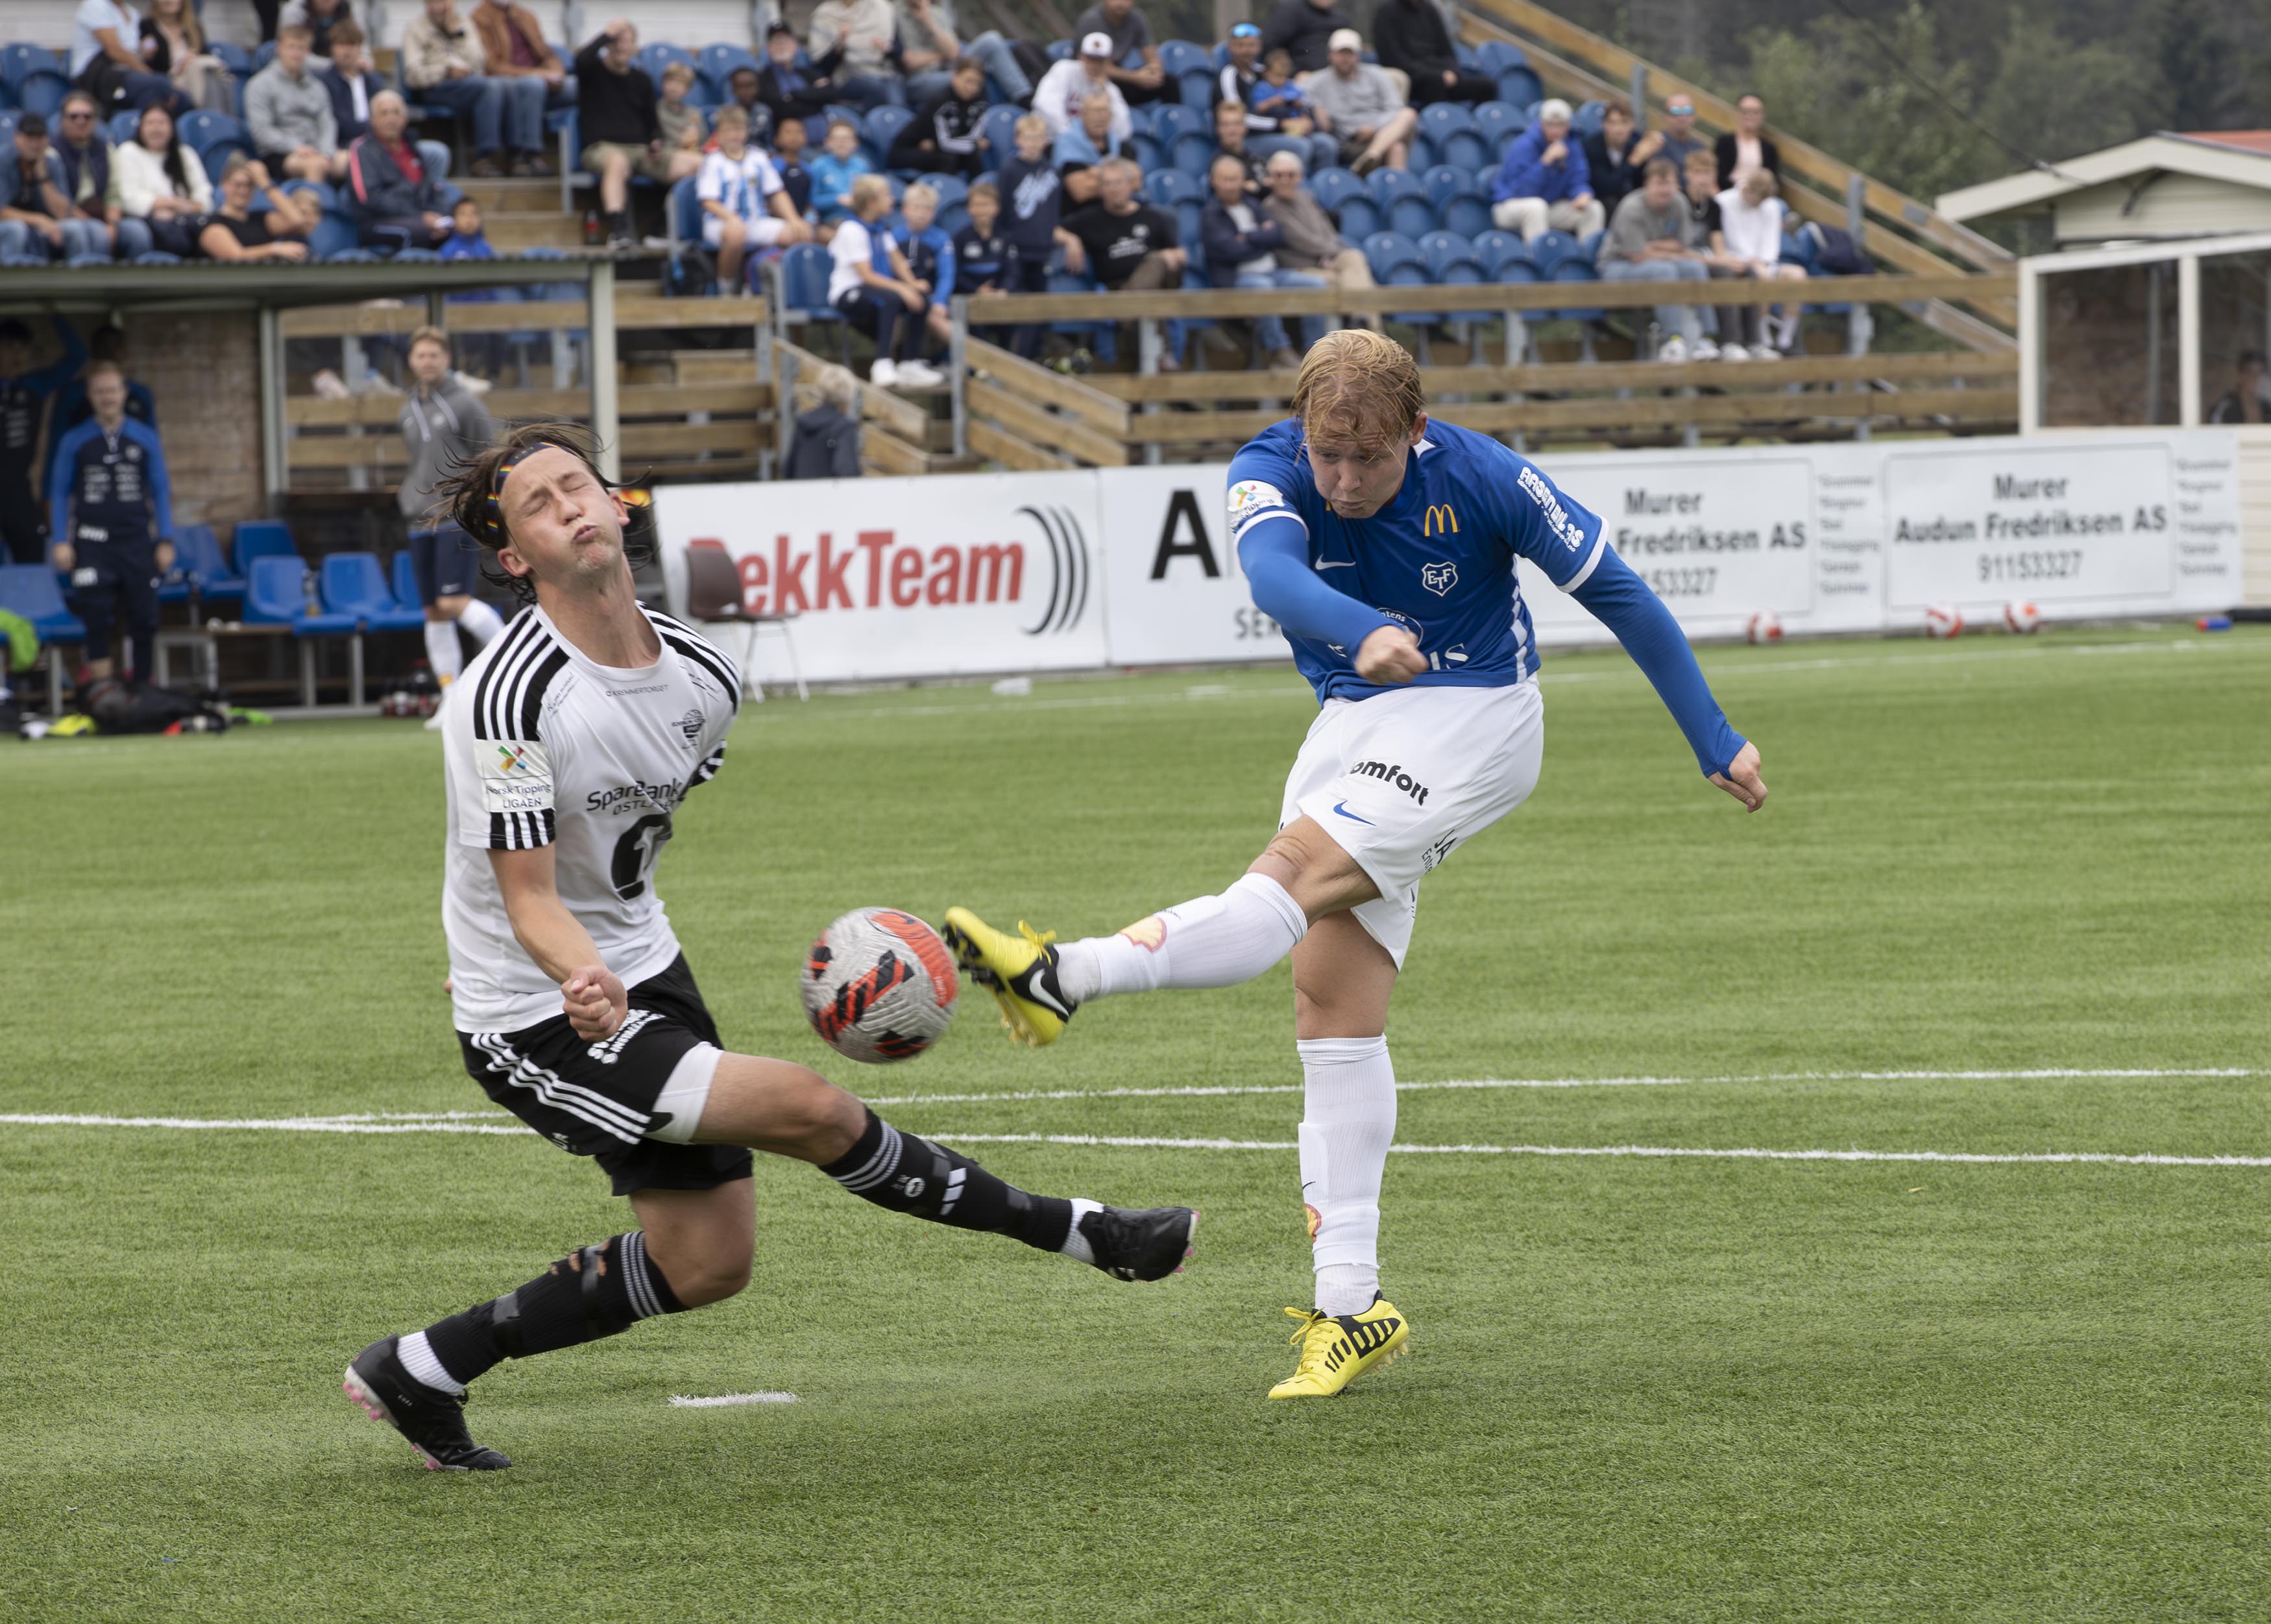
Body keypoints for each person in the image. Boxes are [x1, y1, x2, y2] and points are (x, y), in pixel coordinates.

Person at [340, 418, 1195, 1471]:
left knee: (708, 1261)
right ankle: (1089, 1230)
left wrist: (612, 964)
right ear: (516, 556)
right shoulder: (508, 698)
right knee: (812, 1104)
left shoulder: (703, 678)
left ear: (619, 503)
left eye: (578, 485)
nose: (567, 504)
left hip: (643, 965)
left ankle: (422, 1366)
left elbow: (620, 847)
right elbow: (527, 893)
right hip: (539, 1013)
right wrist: (574, 972)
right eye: (538, 503)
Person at [942, 328, 1766, 1401]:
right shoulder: (1269, 466)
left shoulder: (1486, 477)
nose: (1342, 479)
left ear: (1415, 434)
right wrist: (1361, 626)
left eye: (1366, 460)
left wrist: (1713, 735)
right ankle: (1351, 1309)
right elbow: (1272, 573)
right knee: (1332, 1015)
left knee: (1282, 879)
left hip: (1476, 720)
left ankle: (1060, 975)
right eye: (1327, 457)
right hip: (1353, 724)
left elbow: (1622, 596)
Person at [395, 326, 506, 720]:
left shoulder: (466, 405)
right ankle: (452, 700)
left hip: (454, 516)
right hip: (418, 517)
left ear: (447, 360)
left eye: (434, 356)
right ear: (412, 361)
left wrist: (481, 506)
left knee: (452, 601)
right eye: (421, 355)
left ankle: (510, 661)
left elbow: (489, 456)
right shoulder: (406, 409)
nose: (427, 362)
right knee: (433, 611)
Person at [48, 359, 173, 686]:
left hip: (136, 540)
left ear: (124, 393)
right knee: (96, 615)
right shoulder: (74, 440)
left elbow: (160, 490)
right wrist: (60, 540)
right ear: (90, 396)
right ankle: (103, 693)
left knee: (144, 616)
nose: (107, 397)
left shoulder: (145, 437)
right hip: (91, 542)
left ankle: (143, 688)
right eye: (100, 391)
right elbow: (59, 492)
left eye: (113, 390)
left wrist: (166, 539)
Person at [576, 18, 701, 249]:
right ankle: (619, 231)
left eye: (627, 42)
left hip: (642, 151)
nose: (622, 47)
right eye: (616, 41)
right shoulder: (593, 73)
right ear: (608, 45)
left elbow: (652, 123)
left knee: (699, 163)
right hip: (602, 148)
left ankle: (662, 226)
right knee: (617, 162)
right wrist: (606, 34)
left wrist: (655, 142)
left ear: (634, 47)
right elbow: (581, 60)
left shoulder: (641, 80)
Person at [403, 0, 553, 181]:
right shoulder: (416, 28)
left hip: (467, 83)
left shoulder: (463, 23)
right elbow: (413, 75)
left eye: (444, 2)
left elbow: (478, 61)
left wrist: (455, 35)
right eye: (435, 3)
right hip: (434, 86)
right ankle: (485, 157)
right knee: (490, 86)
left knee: (503, 84)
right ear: (426, 4)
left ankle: (516, 156)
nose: (440, 7)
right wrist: (445, 71)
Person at [1060, 155, 1185, 369]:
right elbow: (1050, 229)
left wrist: (1172, 255)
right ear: (1101, 189)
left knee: (1155, 260)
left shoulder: (1153, 217)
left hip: (1161, 284)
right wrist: (1070, 239)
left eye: (1118, 183)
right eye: (1107, 184)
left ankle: (1125, 312)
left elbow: (1181, 254)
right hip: (1117, 287)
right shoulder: (1088, 219)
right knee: (1146, 301)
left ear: (1130, 185)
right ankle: (1162, 361)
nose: (1113, 189)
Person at [1200, 152, 1322, 370]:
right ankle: (1279, 351)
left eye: (1235, 179)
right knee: (1262, 288)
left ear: (1243, 180)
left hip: (1272, 272)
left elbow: (1278, 235)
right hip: (1238, 279)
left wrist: (1247, 237)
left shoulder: (1253, 204)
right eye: (1225, 179)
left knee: (1315, 285)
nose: (1230, 185)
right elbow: (1232, 251)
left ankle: (1316, 352)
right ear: (1214, 182)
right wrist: (1260, 238)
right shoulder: (1211, 215)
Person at [1597, 156, 1714, 363]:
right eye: (1659, 184)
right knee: (1665, 271)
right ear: (1647, 185)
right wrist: (1667, 251)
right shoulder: (1632, 207)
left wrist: (1654, 247)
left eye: (1668, 184)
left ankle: (1706, 338)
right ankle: (1673, 340)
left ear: (1677, 184)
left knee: (1695, 268)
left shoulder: (1678, 203)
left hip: (1653, 262)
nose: (1664, 190)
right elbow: (1636, 254)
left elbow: (1682, 245)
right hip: (1616, 267)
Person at [830, 173, 937, 389]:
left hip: (874, 289)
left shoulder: (880, 228)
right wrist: (903, 288)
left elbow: (896, 259)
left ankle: (909, 363)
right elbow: (866, 276)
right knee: (891, 300)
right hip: (849, 292)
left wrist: (912, 284)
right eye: (886, 195)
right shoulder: (852, 229)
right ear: (871, 203)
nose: (892, 199)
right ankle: (882, 363)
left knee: (921, 297)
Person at [0, 319, 87, 566]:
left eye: (22, 348)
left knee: (33, 553)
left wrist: (53, 314)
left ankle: (31, 605)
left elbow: (77, 357)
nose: (16, 355)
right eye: (8, 347)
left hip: (18, 490)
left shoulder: (34, 385)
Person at [1260, 150, 1376, 330]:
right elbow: (1299, 240)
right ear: (1270, 179)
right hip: (1301, 268)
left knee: (1354, 257)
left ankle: (1367, 329)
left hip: (1327, 258)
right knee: (1354, 282)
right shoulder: (1270, 206)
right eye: (1279, 175)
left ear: (1300, 177)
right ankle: (1363, 332)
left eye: (1291, 175)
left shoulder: (1306, 197)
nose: (1285, 180)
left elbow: (1327, 229)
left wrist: (1334, 253)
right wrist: (1328, 255)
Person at [696, 105, 807, 294]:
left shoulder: (759, 158)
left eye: (738, 129)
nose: (734, 135)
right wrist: (731, 219)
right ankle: (727, 288)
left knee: (801, 233)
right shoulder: (712, 161)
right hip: (720, 223)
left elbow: (776, 193)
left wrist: (793, 219)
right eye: (729, 130)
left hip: (756, 221)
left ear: (746, 131)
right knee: (736, 233)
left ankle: (776, 288)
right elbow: (708, 201)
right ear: (719, 134)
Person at [995, 114, 1071, 361]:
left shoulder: (1052, 172)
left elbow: (1054, 211)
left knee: (1040, 308)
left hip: (1043, 249)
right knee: (1016, 307)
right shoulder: (1009, 170)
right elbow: (1004, 211)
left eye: (1039, 138)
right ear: (1018, 140)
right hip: (1017, 249)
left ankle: (1034, 358)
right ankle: (1013, 357)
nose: (1034, 143)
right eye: (1028, 138)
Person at [1218, 21, 1334, 175]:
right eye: (1241, 45)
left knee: (1326, 144)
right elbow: (1237, 119)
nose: (1246, 50)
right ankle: (1295, 193)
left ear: (1259, 47)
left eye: (1251, 45)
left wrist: (1306, 117)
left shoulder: (1264, 72)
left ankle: (1322, 191)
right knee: (1301, 147)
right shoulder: (1229, 75)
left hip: (1280, 132)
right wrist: (1282, 124)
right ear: (1230, 47)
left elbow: (1295, 93)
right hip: (1247, 139)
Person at [1710, 167, 1804, 354]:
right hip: (1737, 262)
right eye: (1757, 199)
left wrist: (1764, 262)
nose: (1760, 204)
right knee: (1762, 277)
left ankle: (1786, 340)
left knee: (1798, 276)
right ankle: (1761, 337)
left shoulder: (1771, 206)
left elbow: (1771, 241)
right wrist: (1753, 262)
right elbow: (1731, 237)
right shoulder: (1724, 202)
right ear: (1746, 190)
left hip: (1764, 262)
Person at [1307, 29, 1417, 176]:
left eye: (1350, 53)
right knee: (1396, 147)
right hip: (1349, 142)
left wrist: (1374, 127)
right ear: (1330, 55)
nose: (1345, 58)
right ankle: (1376, 166)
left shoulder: (1377, 74)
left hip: (1380, 133)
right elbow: (1296, 92)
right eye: (1341, 53)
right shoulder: (1317, 81)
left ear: (1358, 56)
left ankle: (1372, 157)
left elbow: (1395, 107)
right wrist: (1316, 105)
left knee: (1407, 116)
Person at [0, 116, 109, 263]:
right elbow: (2, 211)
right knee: (16, 229)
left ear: (47, 140)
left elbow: (62, 212)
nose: (34, 144)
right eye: (29, 137)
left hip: (46, 224)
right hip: (12, 224)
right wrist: (38, 220)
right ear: (17, 138)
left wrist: (43, 176)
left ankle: (79, 282)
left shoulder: (52, 163)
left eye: (40, 137)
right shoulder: (4, 161)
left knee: (76, 229)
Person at [1490, 99, 1602, 241]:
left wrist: (1582, 193)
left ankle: (1588, 261)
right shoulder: (1525, 145)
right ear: (1542, 124)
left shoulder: (1572, 146)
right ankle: (1538, 260)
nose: (1555, 130)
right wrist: (1544, 163)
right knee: (1537, 207)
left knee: (1593, 208)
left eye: (1560, 125)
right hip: (1508, 206)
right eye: (1550, 125)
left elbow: (1578, 177)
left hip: (1548, 206)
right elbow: (1521, 191)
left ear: (1567, 126)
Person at [110, 101, 210, 258]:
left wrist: (176, 206)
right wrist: (174, 204)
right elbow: (129, 199)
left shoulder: (185, 154)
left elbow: (204, 199)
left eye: (162, 123)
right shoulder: (128, 152)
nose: (156, 129)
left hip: (187, 220)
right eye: (150, 123)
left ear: (172, 127)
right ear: (141, 127)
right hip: (146, 221)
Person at [245, 25, 343, 182]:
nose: (296, 54)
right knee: (315, 165)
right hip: (279, 153)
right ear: (280, 48)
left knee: (354, 160)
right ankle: (313, 206)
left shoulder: (316, 86)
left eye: (302, 49)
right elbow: (261, 131)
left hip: (316, 149)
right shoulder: (260, 84)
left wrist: (326, 151)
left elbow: (327, 123)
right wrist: (295, 146)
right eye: (292, 47)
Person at [1684, 147, 1755, 359]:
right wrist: (1716, 262)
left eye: (1707, 173)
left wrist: (1732, 261)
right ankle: (1729, 341)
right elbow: (1677, 248)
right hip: (1686, 260)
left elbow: (1718, 247)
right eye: (1698, 173)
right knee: (1723, 273)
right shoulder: (1678, 201)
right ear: (1687, 174)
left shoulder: (1714, 206)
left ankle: (1754, 342)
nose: (1703, 179)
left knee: (1748, 272)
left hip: (1706, 258)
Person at [470, 0, 575, 142]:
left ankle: (596, 147)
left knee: (579, 85)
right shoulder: (479, 18)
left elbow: (546, 53)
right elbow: (492, 66)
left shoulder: (525, 15)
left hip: (541, 78)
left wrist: (557, 72)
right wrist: (538, 75)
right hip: (509, 79)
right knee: (533, 85)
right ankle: (529, 154)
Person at [71, 1, 187, 117]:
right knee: (159, 85)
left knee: (182, 98)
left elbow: (132, 51)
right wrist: (148, 74)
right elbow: (115, 51)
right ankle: (142, 129)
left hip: (126, 74)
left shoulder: (132, 13)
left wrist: (145, 52)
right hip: (95, 76)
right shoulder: (95, 5)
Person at [1370, 0, 1494, 106]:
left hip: (1442, 75)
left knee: (1487, 86)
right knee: (1435, 84)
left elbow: (1447, 51)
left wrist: (1452, 71)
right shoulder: (1386, 11)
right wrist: (1436, 75)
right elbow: (1392, 59)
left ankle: (1474, 128)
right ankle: (1441, 129)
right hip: (1413, 80)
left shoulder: (1429, 9)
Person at [197, 152, 315, 261]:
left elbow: (297, 220)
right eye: (237, 185)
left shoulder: (260, 220)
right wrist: (275, 249)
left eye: (249, 185)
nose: (243, 191)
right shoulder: (213, 223)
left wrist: (265, 183)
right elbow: (235, 257)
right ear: (224, 184)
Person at [51, 93, 127, 261]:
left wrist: (112, 224)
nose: (81, 121)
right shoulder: (52, 152)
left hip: (101, 214)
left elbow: (114, 194)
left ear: (95, 121)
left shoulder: (105, 149)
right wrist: (93, 223)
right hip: (67, 216)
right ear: (63, 120)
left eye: (87, 116)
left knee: (137, 232)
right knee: (88, 231)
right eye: (74, 116)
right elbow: (59, 201)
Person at [889, 180, 955, 368]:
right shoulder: (894, 237)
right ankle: (891, 364)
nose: (921, 214)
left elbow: (947, 274)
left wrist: (940, 302)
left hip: (930, 297)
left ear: (934, 213)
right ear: (905, 210)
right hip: (901, 296)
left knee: (939, 322)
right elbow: (887, 271)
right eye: (917, 208)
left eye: (927, 209)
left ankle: (969, 367)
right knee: (892, 318)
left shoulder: (941, 239)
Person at [890, 55, 988, 179]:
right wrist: (973, 144)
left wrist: (971, 143)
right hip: (909, 150)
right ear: (955, 77)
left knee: (972, 157)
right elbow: (945, 143)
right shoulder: (940, 100)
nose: (972, 88)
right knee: (949, 158)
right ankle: (946, 195)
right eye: (968, 81)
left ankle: (978, 191)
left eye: (977, 83)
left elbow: (974, 134)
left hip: (940, 149)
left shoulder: (980, 101)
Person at [1034, 33, 1135, 145]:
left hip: (1082, 149)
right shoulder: (1064, 70)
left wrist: (1106, 95)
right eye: (1091, 59)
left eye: (1100, 60)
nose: (1094, 65)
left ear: (1108, 62)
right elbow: (1044, 104)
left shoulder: (1110, 89)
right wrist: (1073, 137)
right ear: (1081, 56)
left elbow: (1124, 132)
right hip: (1047, 141)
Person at [1073, 0, 1175, 106]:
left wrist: (1154, 71)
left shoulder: (1137, 18)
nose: (1121, 3)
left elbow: (1151, 53)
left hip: (1120, 79)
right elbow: (1094, 66)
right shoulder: (1091, 20)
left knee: (1169, 83)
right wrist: (1135, 77)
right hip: (1091, 78)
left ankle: (1173, 118)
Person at [138, 0, 233, 114]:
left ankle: (211, 113)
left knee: (206, 72)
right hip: (169, 81)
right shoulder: (147, 26)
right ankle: (215, 115)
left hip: (196, 77)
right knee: (204, 68)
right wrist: (180, 66)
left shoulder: (194, 26)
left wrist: (191, 59)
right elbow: (151, 67)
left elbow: (203, 52)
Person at [807, 0, 904, 111]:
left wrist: (887, 49)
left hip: (884, 72)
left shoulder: (882, 9)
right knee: (877, 89)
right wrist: (840, 45)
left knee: (897, 101)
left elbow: (898, 53)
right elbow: (822, 66)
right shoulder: (824, 15)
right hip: (846, 76)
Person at [58, 325, 156, 429]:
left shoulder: (140, 394)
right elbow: (58, 438)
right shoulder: (72, 394)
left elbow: (151, 437)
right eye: (103, 347)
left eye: (115, 346)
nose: (109, 352)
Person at [755, 19, 842, 131]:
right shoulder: (763, 78)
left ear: (795, 46)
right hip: (793, 143)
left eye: (785, 41)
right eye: (776, 41)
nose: (781, 45)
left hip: (826, 137)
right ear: (768, 49)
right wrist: (817, 99)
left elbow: (830, 93)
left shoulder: (806, 71)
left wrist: (794, 95)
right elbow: (784, 109)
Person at [784, 360, 863, 478]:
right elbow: (846, 470)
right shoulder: (844, 426)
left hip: (802, 493)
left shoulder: (802, 423)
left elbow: (788, 470)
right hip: (829, 494)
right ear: (848, 396)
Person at [1056, 90, 1132, 206]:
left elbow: (1136, 181)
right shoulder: (1068, 145)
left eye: (1104, 111)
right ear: (1082, 115)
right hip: (1081, 215)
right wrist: (1118, 181)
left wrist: (1096, 173)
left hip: (1118, 211)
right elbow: (1080, 192)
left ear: (1111, 116)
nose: (1100, 117)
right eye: (1095, 112)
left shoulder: (1121, 145)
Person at [318, 22, 386, 145]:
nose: (347, 50)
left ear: (360, 48)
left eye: (352, 44)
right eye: (341, 44)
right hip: (344, 144)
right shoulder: (324, 83)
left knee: (431, 152)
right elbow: (339, 124)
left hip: (379, 143)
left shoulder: (373, 81)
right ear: (332, 48)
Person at [1582, 99, 1644, 221]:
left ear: (1632, 125)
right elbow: (1606, 187)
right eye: (1613, 123)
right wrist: (1634, 161)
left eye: (1624, 122)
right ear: (1604, 124)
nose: (1619, 129)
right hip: (1599, 201)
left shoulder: (1636, 144)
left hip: (1627, 199)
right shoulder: (1591, 146)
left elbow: (1641, 183)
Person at [807, 117, 873, 223]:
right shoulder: (818, 166)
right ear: (827, 143)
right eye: (836, 139)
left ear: (855, 143)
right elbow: (812, 201)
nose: (841, 143)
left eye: (846, 139)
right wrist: (837, 200)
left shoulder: (862, 165)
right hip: (832, 219)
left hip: (860, 217)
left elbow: (869, 196)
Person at [1261, 0, 1352, 75]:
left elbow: (1350, 51)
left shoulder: (1341, 19)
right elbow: (1270, 46)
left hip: (1336, 79)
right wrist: (1293, 73)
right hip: (1298, 81)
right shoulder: (1290, 10)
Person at [1714, 92, 1780, 192]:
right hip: (1730, 192)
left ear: (1762, 115)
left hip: (1759, 197)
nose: (1750, 116)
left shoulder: (1769, 148)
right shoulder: (1725, 142)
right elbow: (1718, 175)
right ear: (1738, 113)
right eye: (1746, 111)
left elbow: (1773, 179)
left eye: (1756, 112)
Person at [660, 63, 712, 155]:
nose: (674, 87)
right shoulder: (654, 110)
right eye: (670, 81)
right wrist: (680, 142)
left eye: (680, 83)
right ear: (663, 83)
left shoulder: (695, 113)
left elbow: (704, 141)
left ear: (688, 89)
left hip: (695, 156)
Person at [2209, 350, 2271, 424]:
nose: (2255, 378)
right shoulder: (2225, 408)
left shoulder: (2267, 408)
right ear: (2240, 375)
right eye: (2250, 372)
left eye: (2260, 372)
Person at [770, 114, 814, 219]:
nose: (794, 136)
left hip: (802, 219)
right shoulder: (772, 166)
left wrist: (808, 219)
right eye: (788, 132)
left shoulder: (808, 169)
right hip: (776, 220)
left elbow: (810, 202)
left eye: (799, 132)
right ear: (777, 138)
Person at [278, 0, 354, 57]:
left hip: (339, 66)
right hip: (304, 68)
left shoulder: (347, 8)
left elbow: (359, 43)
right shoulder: (295, 11)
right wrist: (333, 65)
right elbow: (293, 53)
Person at [1655, 93, 1704, 175]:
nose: (1682, 117)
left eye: (1688, 111)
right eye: (1675, 111)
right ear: (1665, 116)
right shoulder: (1656, 145)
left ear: (1695, 116)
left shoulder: (1700, 150)